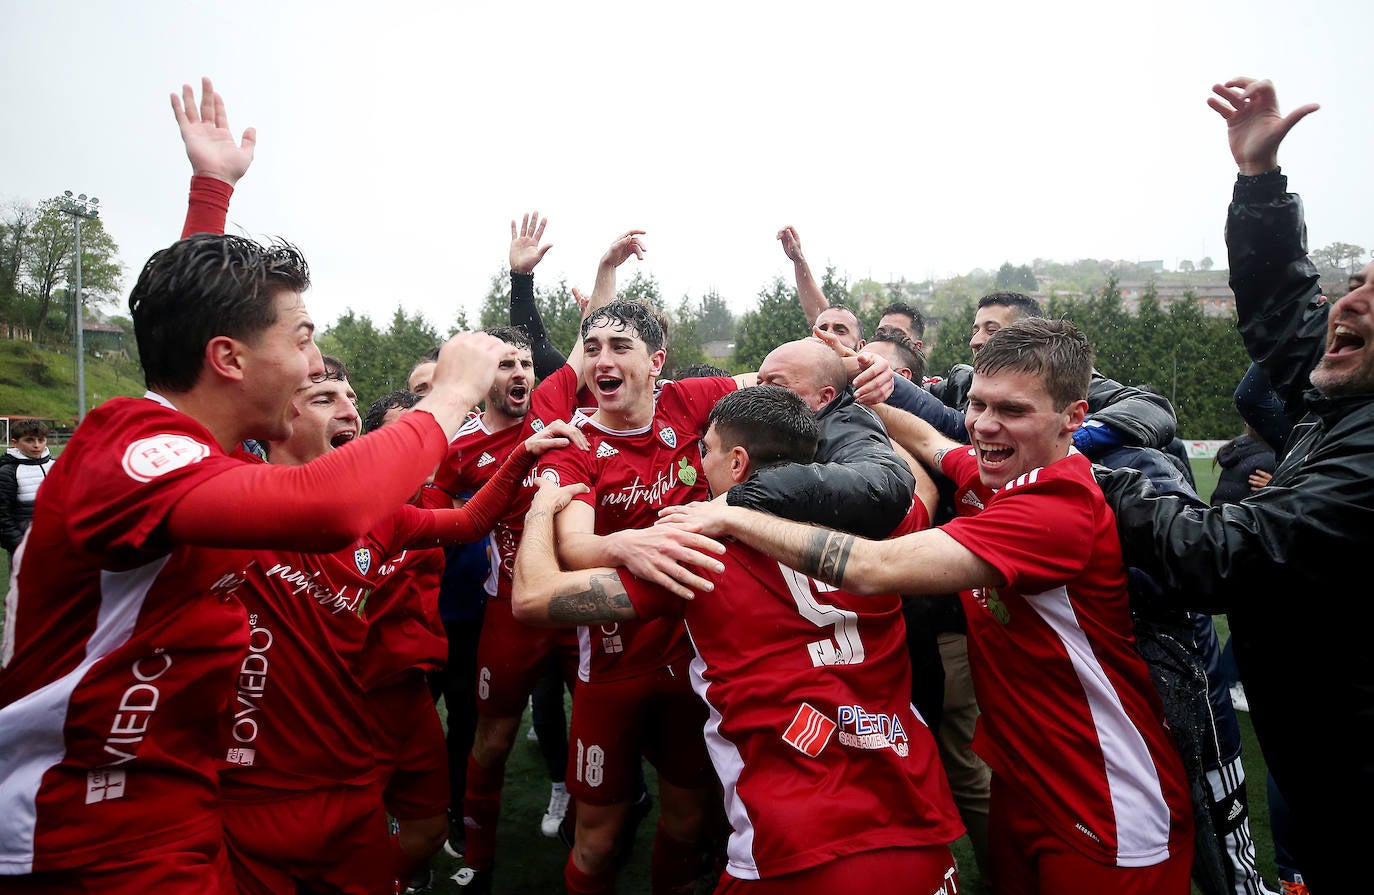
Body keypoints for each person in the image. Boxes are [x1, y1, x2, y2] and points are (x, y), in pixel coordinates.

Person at [0, 76, 511, 894]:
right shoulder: (127, 451)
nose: (316, 366)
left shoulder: (202, 451)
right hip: (81, 832)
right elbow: (333, 506)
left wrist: (211, 197)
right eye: (304, 340)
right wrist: (448, 397)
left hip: (170, 809)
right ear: (232, 361)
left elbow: (190, 324)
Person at [664, 318, 1195, 895]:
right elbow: (935, 444)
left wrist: (732, 513)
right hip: (1027, 778)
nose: (986, 426)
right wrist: (859, 396)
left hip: (1107, 800)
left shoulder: (1057, 506)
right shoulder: (1001, 474)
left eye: (1012, 412)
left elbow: (872, 568)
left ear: (1074, 417)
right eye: (978, 404)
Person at [513, 385, 965, 893]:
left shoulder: (697, 558)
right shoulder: (883, 527)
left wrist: (538, 511)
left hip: (791, 844)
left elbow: (533, 599)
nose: (699, 463)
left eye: (705, 450)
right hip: (917, 824)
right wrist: (864, 420)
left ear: (737, 462)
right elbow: (918, 487)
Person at [1096, 76, 1367, 894]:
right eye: (1356, 285)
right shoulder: (1341, 400)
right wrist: (1260, 182)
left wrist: (1081, 476)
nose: (1351, 302)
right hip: (1320, 760)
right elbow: (1287, 313)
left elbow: (1219, 551)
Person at [0, 419, 55, 561]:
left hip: (57, 541)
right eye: (29, 440)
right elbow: (3, 515)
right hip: (24, 544)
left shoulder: (56, 465)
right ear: (14, 442)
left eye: (41, 440)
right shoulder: (7, 471)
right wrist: (18, 544)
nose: (36, 445)